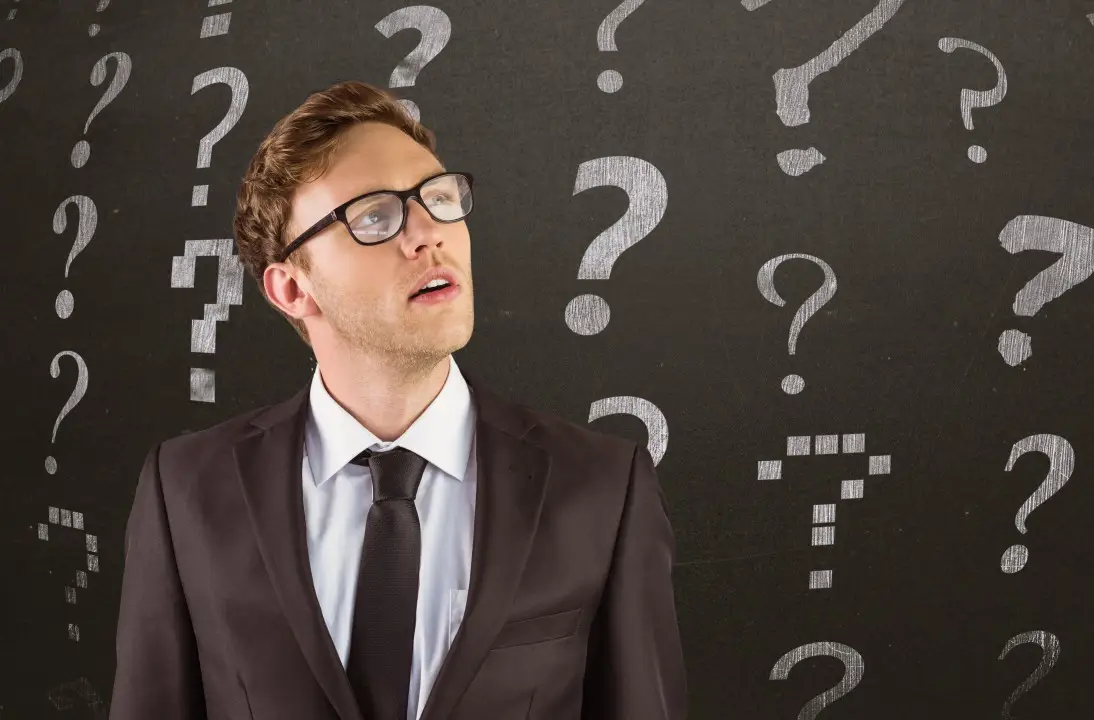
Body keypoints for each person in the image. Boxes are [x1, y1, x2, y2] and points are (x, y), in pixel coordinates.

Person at [108, 80, 687, 720]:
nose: (428, 234)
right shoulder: (185, 489)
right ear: (292, 289)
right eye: (374, 217)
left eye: (439, 199)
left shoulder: (603, 486)